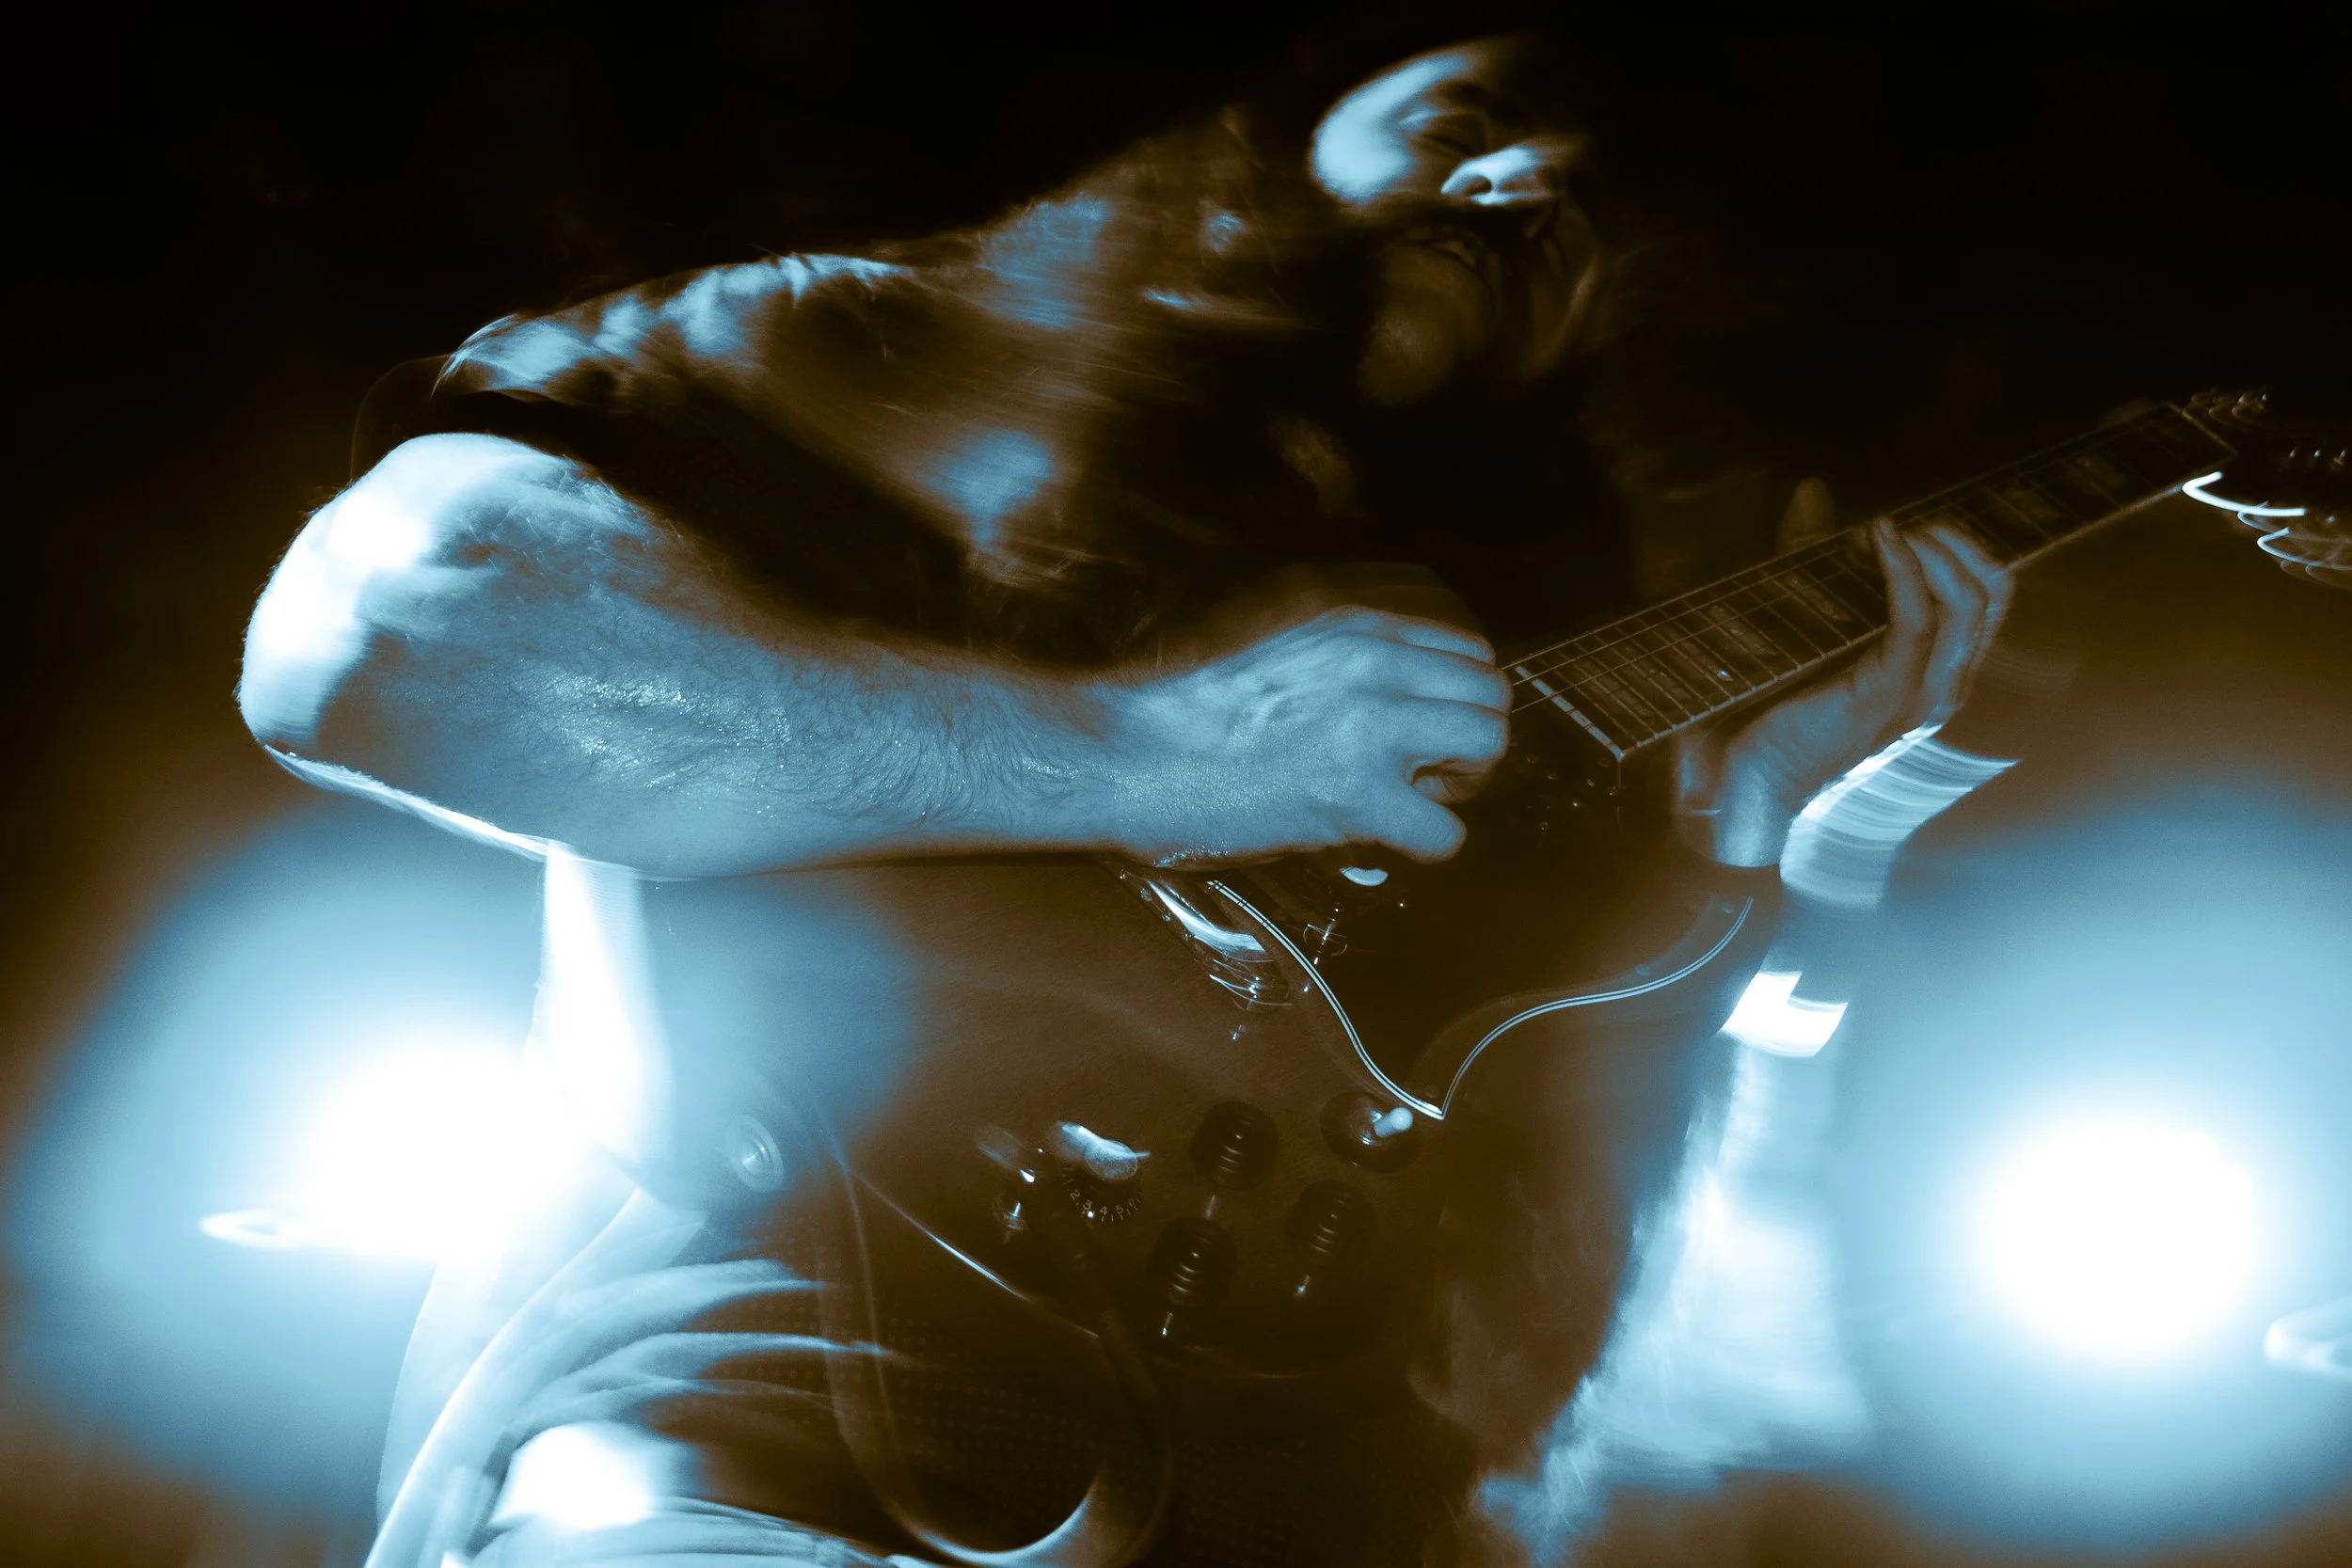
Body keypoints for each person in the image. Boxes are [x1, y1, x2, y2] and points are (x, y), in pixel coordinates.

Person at [238, 34, 2010, 1568]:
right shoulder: (937, 334)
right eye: (1465, 110)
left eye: (1590, 186)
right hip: (781, 1444)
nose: (1523, 177)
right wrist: (1148, 755)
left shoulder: (1548, 621)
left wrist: (1759, 829)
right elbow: (398, 634)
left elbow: (1554, 1328)